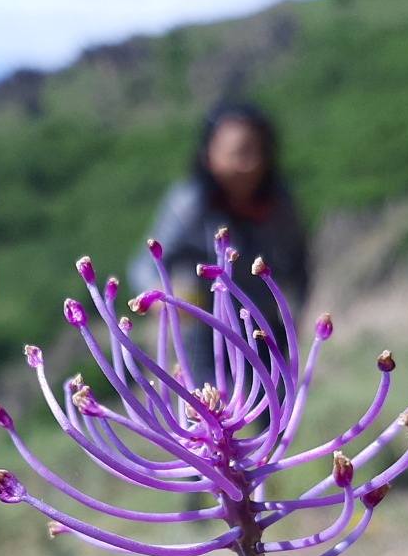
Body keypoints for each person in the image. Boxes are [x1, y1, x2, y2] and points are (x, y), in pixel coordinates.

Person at [130, 103, 309, 391]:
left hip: (262, 328)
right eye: (237, 152)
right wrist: (159, 298)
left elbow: (300, 263)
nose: (248, 162)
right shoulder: (189, 203)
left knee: (275, 420)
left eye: (257, 150)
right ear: (208, 155)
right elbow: (144, 264)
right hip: (203, 329)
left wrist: (295, 312)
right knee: (208, 416)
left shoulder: (279, 205)